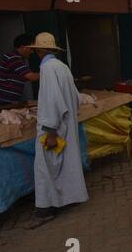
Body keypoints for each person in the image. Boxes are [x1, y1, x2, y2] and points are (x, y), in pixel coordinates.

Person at [26, 33, 88, 229]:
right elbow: (75, 97)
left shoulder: (47, 68)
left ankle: (45, 208)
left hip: (53, 126)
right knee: (66, 164)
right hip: (66, 122)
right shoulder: (62, 67)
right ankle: (70, 197)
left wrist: (50, 131)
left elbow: (52, 101)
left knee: (45, 169)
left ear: (40, 51)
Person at [0, 34, 40, 106]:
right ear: (22, 47)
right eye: (31, 48)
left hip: (9, 101)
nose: (32, 52)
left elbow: (24, 77)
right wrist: (49, 72)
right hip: (3, 102)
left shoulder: (18, 59)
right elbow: (31, 77)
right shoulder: (12, 58)